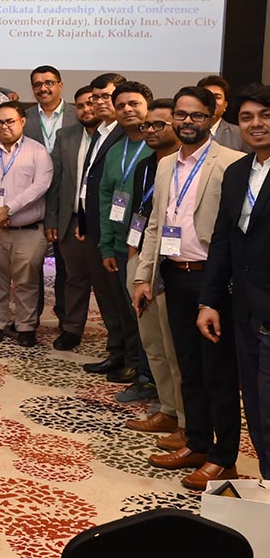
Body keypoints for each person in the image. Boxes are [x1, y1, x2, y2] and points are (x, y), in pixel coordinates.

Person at [133, 87, 246, 491]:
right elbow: (155, 225)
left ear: (212, 117)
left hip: (212, 279)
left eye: (196, 115)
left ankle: (223, 458)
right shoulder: (166, 164)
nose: (187, 122)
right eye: (181, 114)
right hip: (173, 274)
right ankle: (197, 442)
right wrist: (144, 276)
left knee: (219, 373)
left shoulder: (231, 163)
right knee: (188, 368)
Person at [202, 83, 270, 479]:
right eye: (247, 117)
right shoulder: (238, 172)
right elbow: (224, 240)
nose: (256, 124)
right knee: (257, 408)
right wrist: (209, 300)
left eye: (265, 115)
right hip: (243, 309)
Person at [124, 99, 186, 445]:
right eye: (147, 125)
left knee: (176, 346)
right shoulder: (148, 166)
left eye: (158, 124)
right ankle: (168, 409)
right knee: (153, 342)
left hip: (179, 264)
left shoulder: (195, 165)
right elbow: (143, 214)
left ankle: (188, 422)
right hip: (145, 259)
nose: (149, 130)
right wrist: (135, 258)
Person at [0, 102, 53, 347]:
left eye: (9, 121)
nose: (4, 126)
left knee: (27, 281)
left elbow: (40, 186)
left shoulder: (38, 152)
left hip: (27, 230)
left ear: (22, 122)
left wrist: (9, 209)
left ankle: (26, 326)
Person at [96, 81, 156, 393]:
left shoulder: (158, 146)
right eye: (120, 106)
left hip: (149, 247)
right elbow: (107, 199)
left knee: (146, 314)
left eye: (134, 104)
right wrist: (106, 244)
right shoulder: (115, 150)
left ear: (148, 107)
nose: (127, 110)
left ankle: (147, 374)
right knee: (126, 308)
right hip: (120, 244)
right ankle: (132, 361)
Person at [77, 73, 130, 369]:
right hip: (94, 227)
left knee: (121, 298)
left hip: (115, 230)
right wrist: (83, 220)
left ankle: (130, 358)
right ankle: (116, 350)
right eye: (95, 97)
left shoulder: (125, 134)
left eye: (106, 97)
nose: (98, 102)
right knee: (106, 296)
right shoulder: (99, 132)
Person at [46, 87, 102, 350]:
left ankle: (118, 336)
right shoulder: (65, 136)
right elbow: (55, 181)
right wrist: (51, 219)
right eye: (80, 106)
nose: (86, 109)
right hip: (71, 220)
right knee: (74, 278)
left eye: (91, 103)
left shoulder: (114, 137)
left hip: (102, 224)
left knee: (106, 283)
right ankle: (72, 328)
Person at [25, 65, 74, 152]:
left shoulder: (77, 115)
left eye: (49, 83)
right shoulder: (24, 117)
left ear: (60, 85)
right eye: (37, 85)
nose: (43, 89)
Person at [199, 74, 253, 153]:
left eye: (217, 97)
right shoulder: (186, 131)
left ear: (225, 105)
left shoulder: (240, 134)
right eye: (207, 96)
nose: (212, 101)